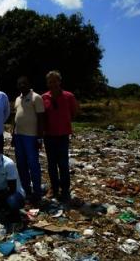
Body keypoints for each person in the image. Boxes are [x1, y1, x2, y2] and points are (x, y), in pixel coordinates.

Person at [42, 70, 78, 202]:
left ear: (59, 81)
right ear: (47, 83)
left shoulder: (69, 96)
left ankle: (65, 190)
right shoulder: (44, 97)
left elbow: (74, 113)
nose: (53, 83)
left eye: (55, 81)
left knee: (63, 164)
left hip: (63, 136)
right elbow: (42, 116)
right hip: (49, 136)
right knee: (51, 164)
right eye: (50, 81)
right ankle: (54, 188)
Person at [13, 76, 45, 204]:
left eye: (24, 83)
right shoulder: (17, 98)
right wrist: (13, 134)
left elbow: (41, 118)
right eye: (19, 84)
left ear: (29, 84)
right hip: (18, 136)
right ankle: (26, 190)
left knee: (33, 164)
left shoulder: (36, 97)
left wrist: (40, 137)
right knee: (21, 164)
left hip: (31, 136)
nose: (22, 86)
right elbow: (16, 117)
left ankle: (37, 192)